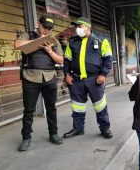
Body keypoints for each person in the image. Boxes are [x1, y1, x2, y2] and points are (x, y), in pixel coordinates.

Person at [14, 15, 64, 151]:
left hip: (49, 77)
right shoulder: (29, 35)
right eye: (44, 27)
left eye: (49, 28)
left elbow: (60, 60)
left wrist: (50, 51)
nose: (47, 30)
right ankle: (26, 138)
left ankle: (53, 134)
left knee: (51, 108)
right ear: (38, 24)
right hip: (30, 77)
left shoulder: (53, 40)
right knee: (29, 110)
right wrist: (37, 41)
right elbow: (17, 44)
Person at [63, 17, 113, 139]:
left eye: (80, 26)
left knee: (100, 106)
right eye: (76, 26)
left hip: (95, 79)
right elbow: (67, 60)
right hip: (76, 80)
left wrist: (103, 75)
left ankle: (105, 128)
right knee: (77, 106)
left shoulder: (101, 41)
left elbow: (108, 59)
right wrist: (67, 74)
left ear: (88, 27)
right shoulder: (72, 42)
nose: (77, 29)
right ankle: (78, 129)